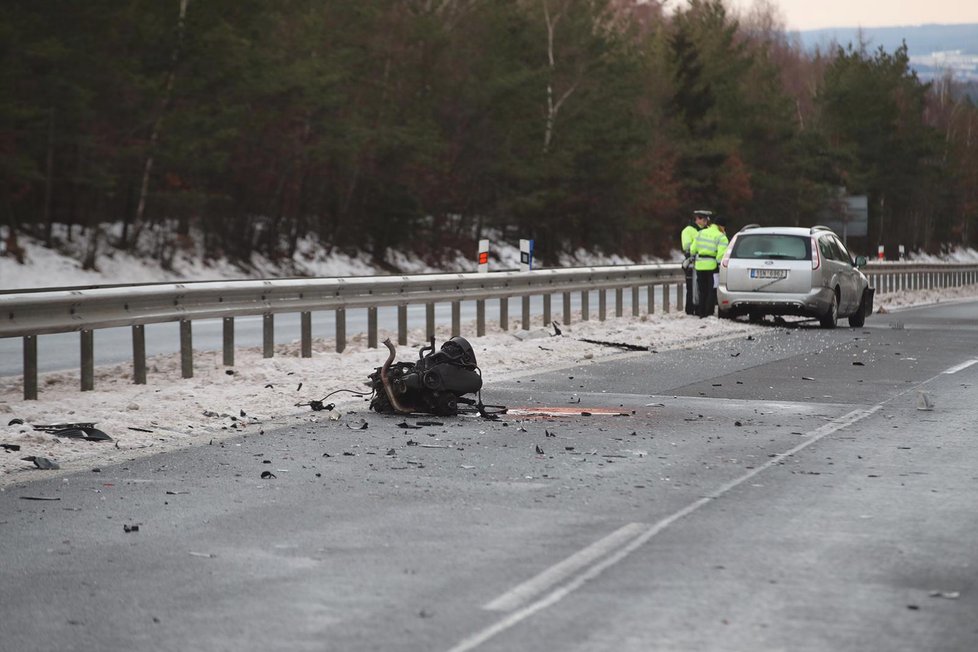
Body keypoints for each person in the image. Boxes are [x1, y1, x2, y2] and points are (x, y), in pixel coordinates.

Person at [690, 214, 728, 318]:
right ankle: (708, 313)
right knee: (711, 291)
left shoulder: (700, 233)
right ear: (721, 226)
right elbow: (721, 256)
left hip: (700, 266)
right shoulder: (721, 237)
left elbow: (693, 249)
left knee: (702, 291)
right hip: (712, 268)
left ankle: (701, 313)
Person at [681, 210, 711, 315]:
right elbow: (687, 246)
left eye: (707, 219)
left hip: (704, 263)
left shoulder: (708, 230)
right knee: (691, 288)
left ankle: (700, 309)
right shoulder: (688, 230)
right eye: (703, 219)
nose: (706, 221)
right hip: (692, 262)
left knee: (703, 288)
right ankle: (690, 310)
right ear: (697, 219)